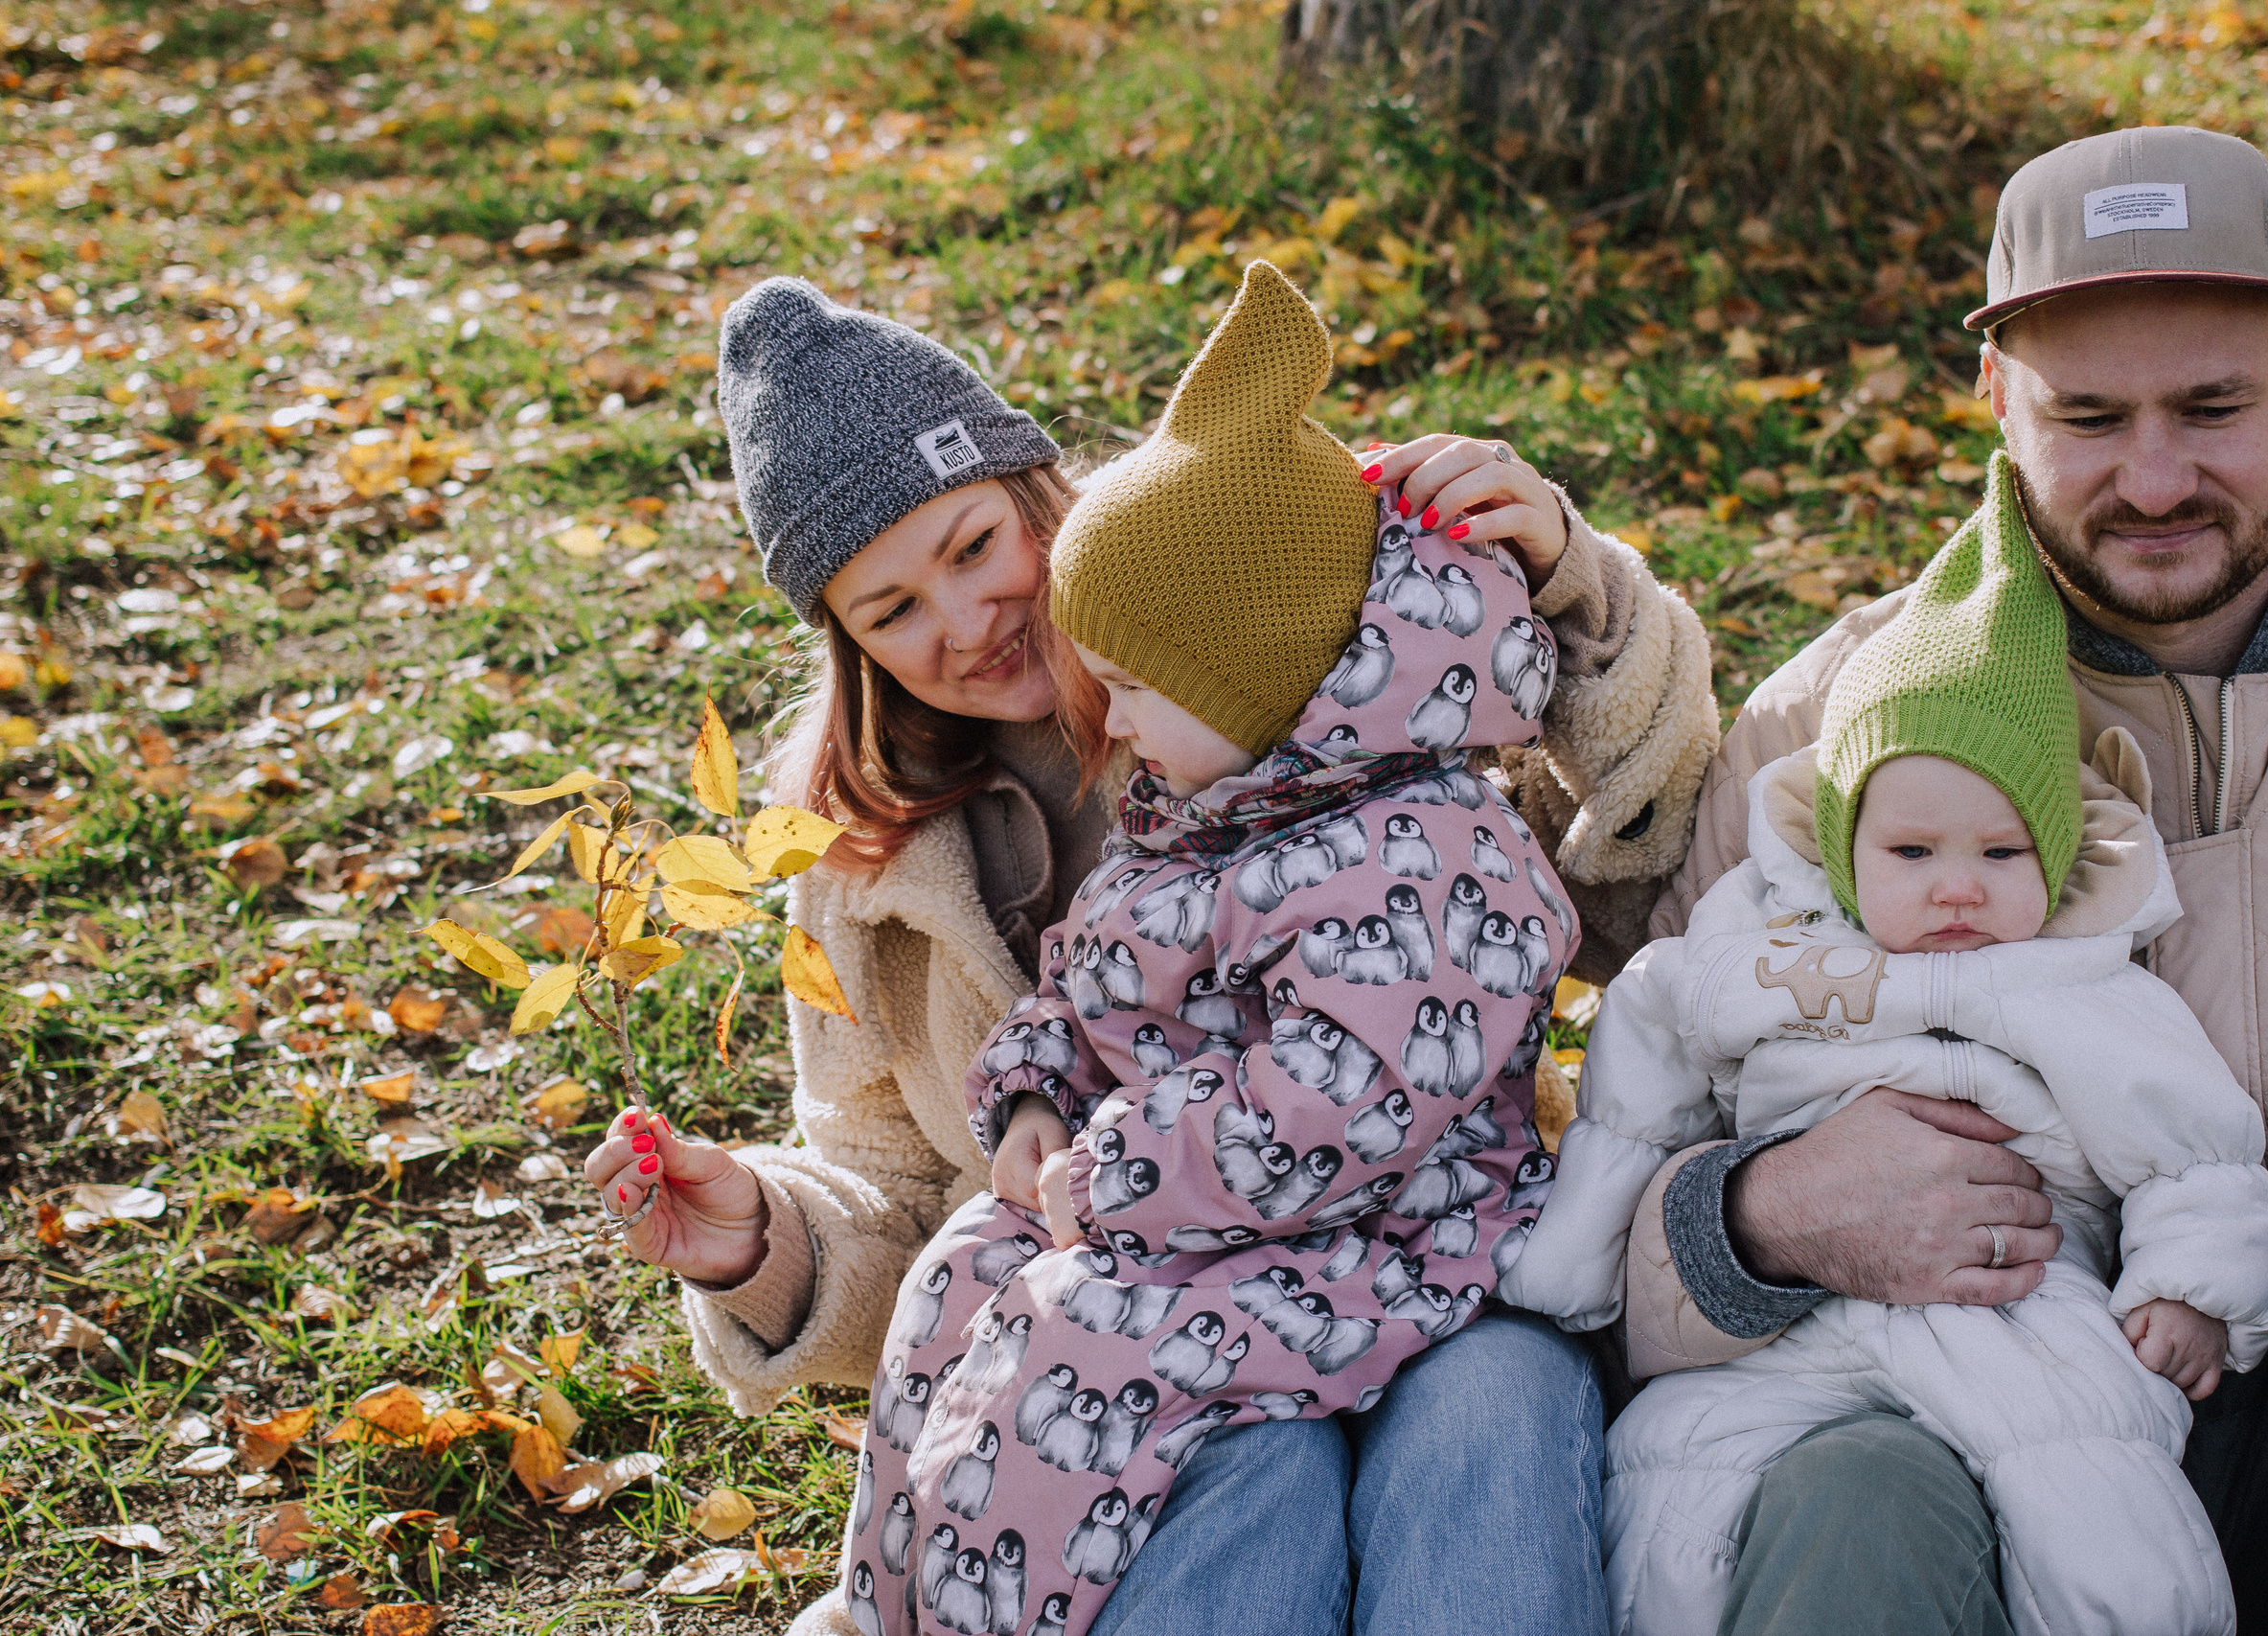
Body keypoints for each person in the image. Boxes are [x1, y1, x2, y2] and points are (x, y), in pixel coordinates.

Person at [583, 262, 1718, 1630]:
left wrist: (1574, 588)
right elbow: (896, 1188)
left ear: (1038, 496)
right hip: (1129, 1335)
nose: (963, 623)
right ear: (847, 644)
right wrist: (761, 1239)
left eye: (971, 548)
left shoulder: (1278, 628)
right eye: (890, 610)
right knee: (1247, 1469)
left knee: (1496, 1413)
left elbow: (1634, 873)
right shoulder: (861, 862)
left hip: (1425, 1251)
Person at [1627, 125, 2268, 1634]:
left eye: (2214, 407)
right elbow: (1614, 1149)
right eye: (2088, 415)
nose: (2155, 477)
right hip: (1971, 1411)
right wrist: (1751, 1217)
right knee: (1843, 1497)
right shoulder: (1829, 730)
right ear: (1996, 397)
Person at [826, 259, 1582, 1636]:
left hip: (1389, 1230)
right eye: (890, 610)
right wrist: (1041, 1089)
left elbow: (1341, 1098)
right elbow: (1103, 976)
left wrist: (1114, 1165)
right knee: (964, 1273)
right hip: (1208, 1213)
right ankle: (894, 1604)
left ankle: (1003, 1598)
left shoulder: (1410, 840)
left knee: (1090, 1343)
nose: (1102, 717)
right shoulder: (1223, 790)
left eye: (974, 548)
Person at [1503, 463, 2268, 1634]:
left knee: (2099, 1504)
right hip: (1787, 1319)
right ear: (1839, 846)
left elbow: (2191, 1144)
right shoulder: (1760, 952)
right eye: (1913, 853)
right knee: (1678, 1486)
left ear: (2059, 860)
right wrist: (1574, 1248)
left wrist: (2193, 1288)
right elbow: (1640, 1082)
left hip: (2015, 1308)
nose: (1958, 890)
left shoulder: (2076, 980)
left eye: (2001, 855)